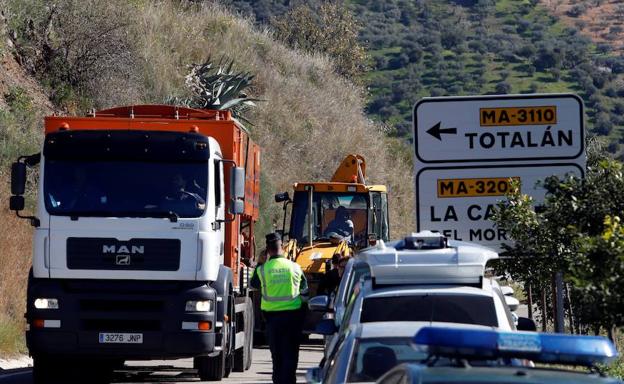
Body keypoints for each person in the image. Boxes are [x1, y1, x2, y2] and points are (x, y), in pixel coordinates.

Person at [250, 233, 308, 384]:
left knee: (277, 356)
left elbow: (254, 285)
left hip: (272, 320)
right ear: (282, 247)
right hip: (293, 319)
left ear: (268, 250)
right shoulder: (295, 267)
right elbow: (304, 287)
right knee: (291, 354)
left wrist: (260, 263)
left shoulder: (262, 270)